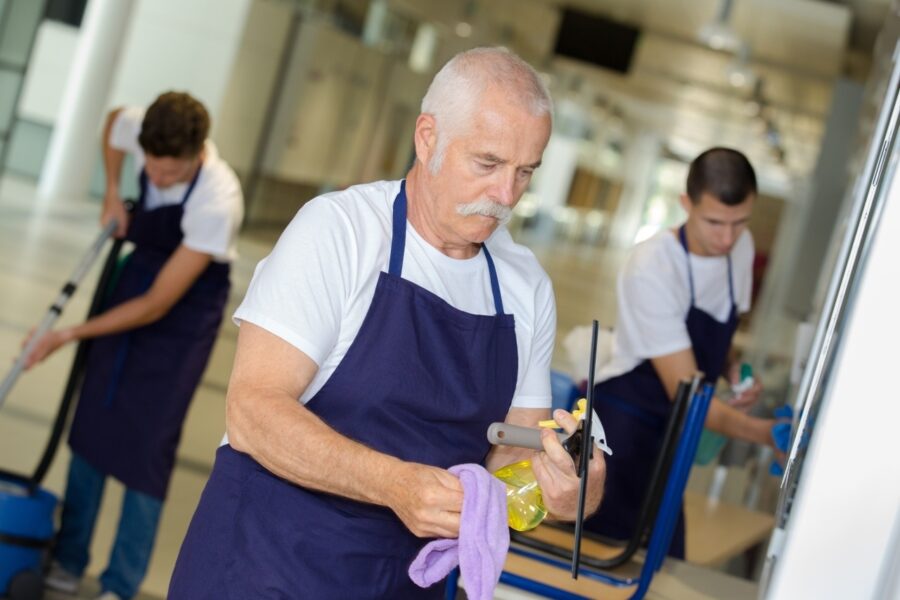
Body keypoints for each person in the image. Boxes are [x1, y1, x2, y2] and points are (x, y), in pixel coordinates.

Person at [168, 47, 605, 599]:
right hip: (267, 562)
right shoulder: (341, 233)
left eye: (525, 173)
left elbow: (513, 453)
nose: (505, 196)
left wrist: (565, 491)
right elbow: (254, 410)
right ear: (428, 138)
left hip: (403, 581)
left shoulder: (524, 287)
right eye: (488, 164)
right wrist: (395, 484)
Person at [24, 92, 244, 600]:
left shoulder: (218, 200)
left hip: (182, 314)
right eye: (151, 167)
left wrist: (67, 335)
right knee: (92, 422)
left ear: (197, 155)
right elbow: (111, 125)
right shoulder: (143, 128)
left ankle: (119, 585)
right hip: (137, 273)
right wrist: (109, 194)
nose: (158, 179)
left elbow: (156, 306)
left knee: (148, 446)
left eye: (170, 174)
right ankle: (68, 558)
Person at [583, 147, 775, 559]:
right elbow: (687, 394)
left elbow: (717, 338)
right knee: (603, 554)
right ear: (686, 204)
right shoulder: (652, 266)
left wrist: (733, 372)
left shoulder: (740, 249)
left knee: (663, 555)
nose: (727, 237)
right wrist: (767, 434)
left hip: (676, 431)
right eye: (714, 222)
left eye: (740, 222)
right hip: (625, 425)